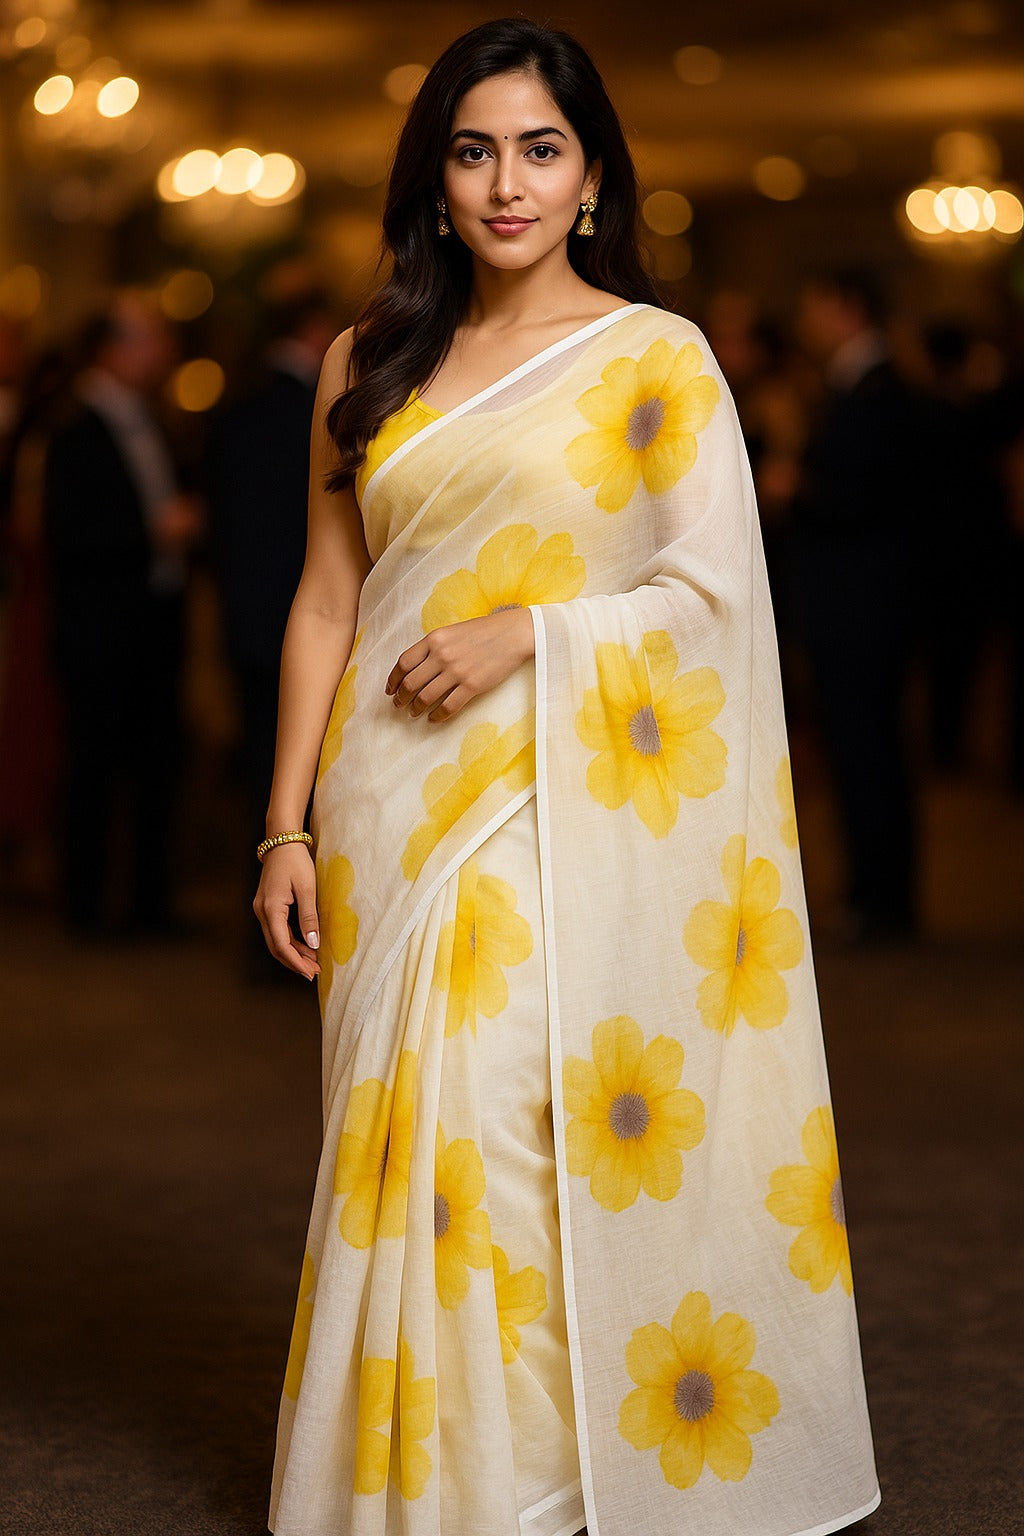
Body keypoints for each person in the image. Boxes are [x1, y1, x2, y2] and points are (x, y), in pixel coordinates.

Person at [255, 20, 879, 1536]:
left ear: (594, 176)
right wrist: (283, 827)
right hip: (389, 801)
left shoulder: (653, 361)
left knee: (514, 1122)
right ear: (436, 179)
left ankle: (536, 1488)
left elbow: (717, 594)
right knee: (402, 1138)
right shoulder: (369, 361)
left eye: (541, 149)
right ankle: (430, 1481)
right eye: (474, 151)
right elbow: (328, 599)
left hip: (561, 801)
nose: (507, 183)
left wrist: (528, 635)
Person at [43, 290, 201, 934]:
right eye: (147, 338)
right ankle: (84, 910)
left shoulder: (155, 415)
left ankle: (148, 906)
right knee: (94, 769)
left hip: (154, 623)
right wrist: (154, 532)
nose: (161, 350)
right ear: (110, 348)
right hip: (98, 630)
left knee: (157, 766)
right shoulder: (71, 425)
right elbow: (65, 534)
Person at [793, 270, 928, 943]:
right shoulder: (863, 384)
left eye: (813, 305)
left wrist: (800, 487)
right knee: (864, 750)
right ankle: (875, 895)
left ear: (844, 306)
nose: (804, 321)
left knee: (868, 751)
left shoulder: (877, 390)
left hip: (864, 605)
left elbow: (873, 498)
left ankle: (881, 901)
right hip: (861, 601)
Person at [207, 286, 336, 974]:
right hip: (309, 618)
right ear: (314, 329)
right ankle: (294, 935)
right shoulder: (317, 402)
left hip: (252, 619)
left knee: (264, 768)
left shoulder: (240, 407)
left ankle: (269, 932)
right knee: (286, 777)